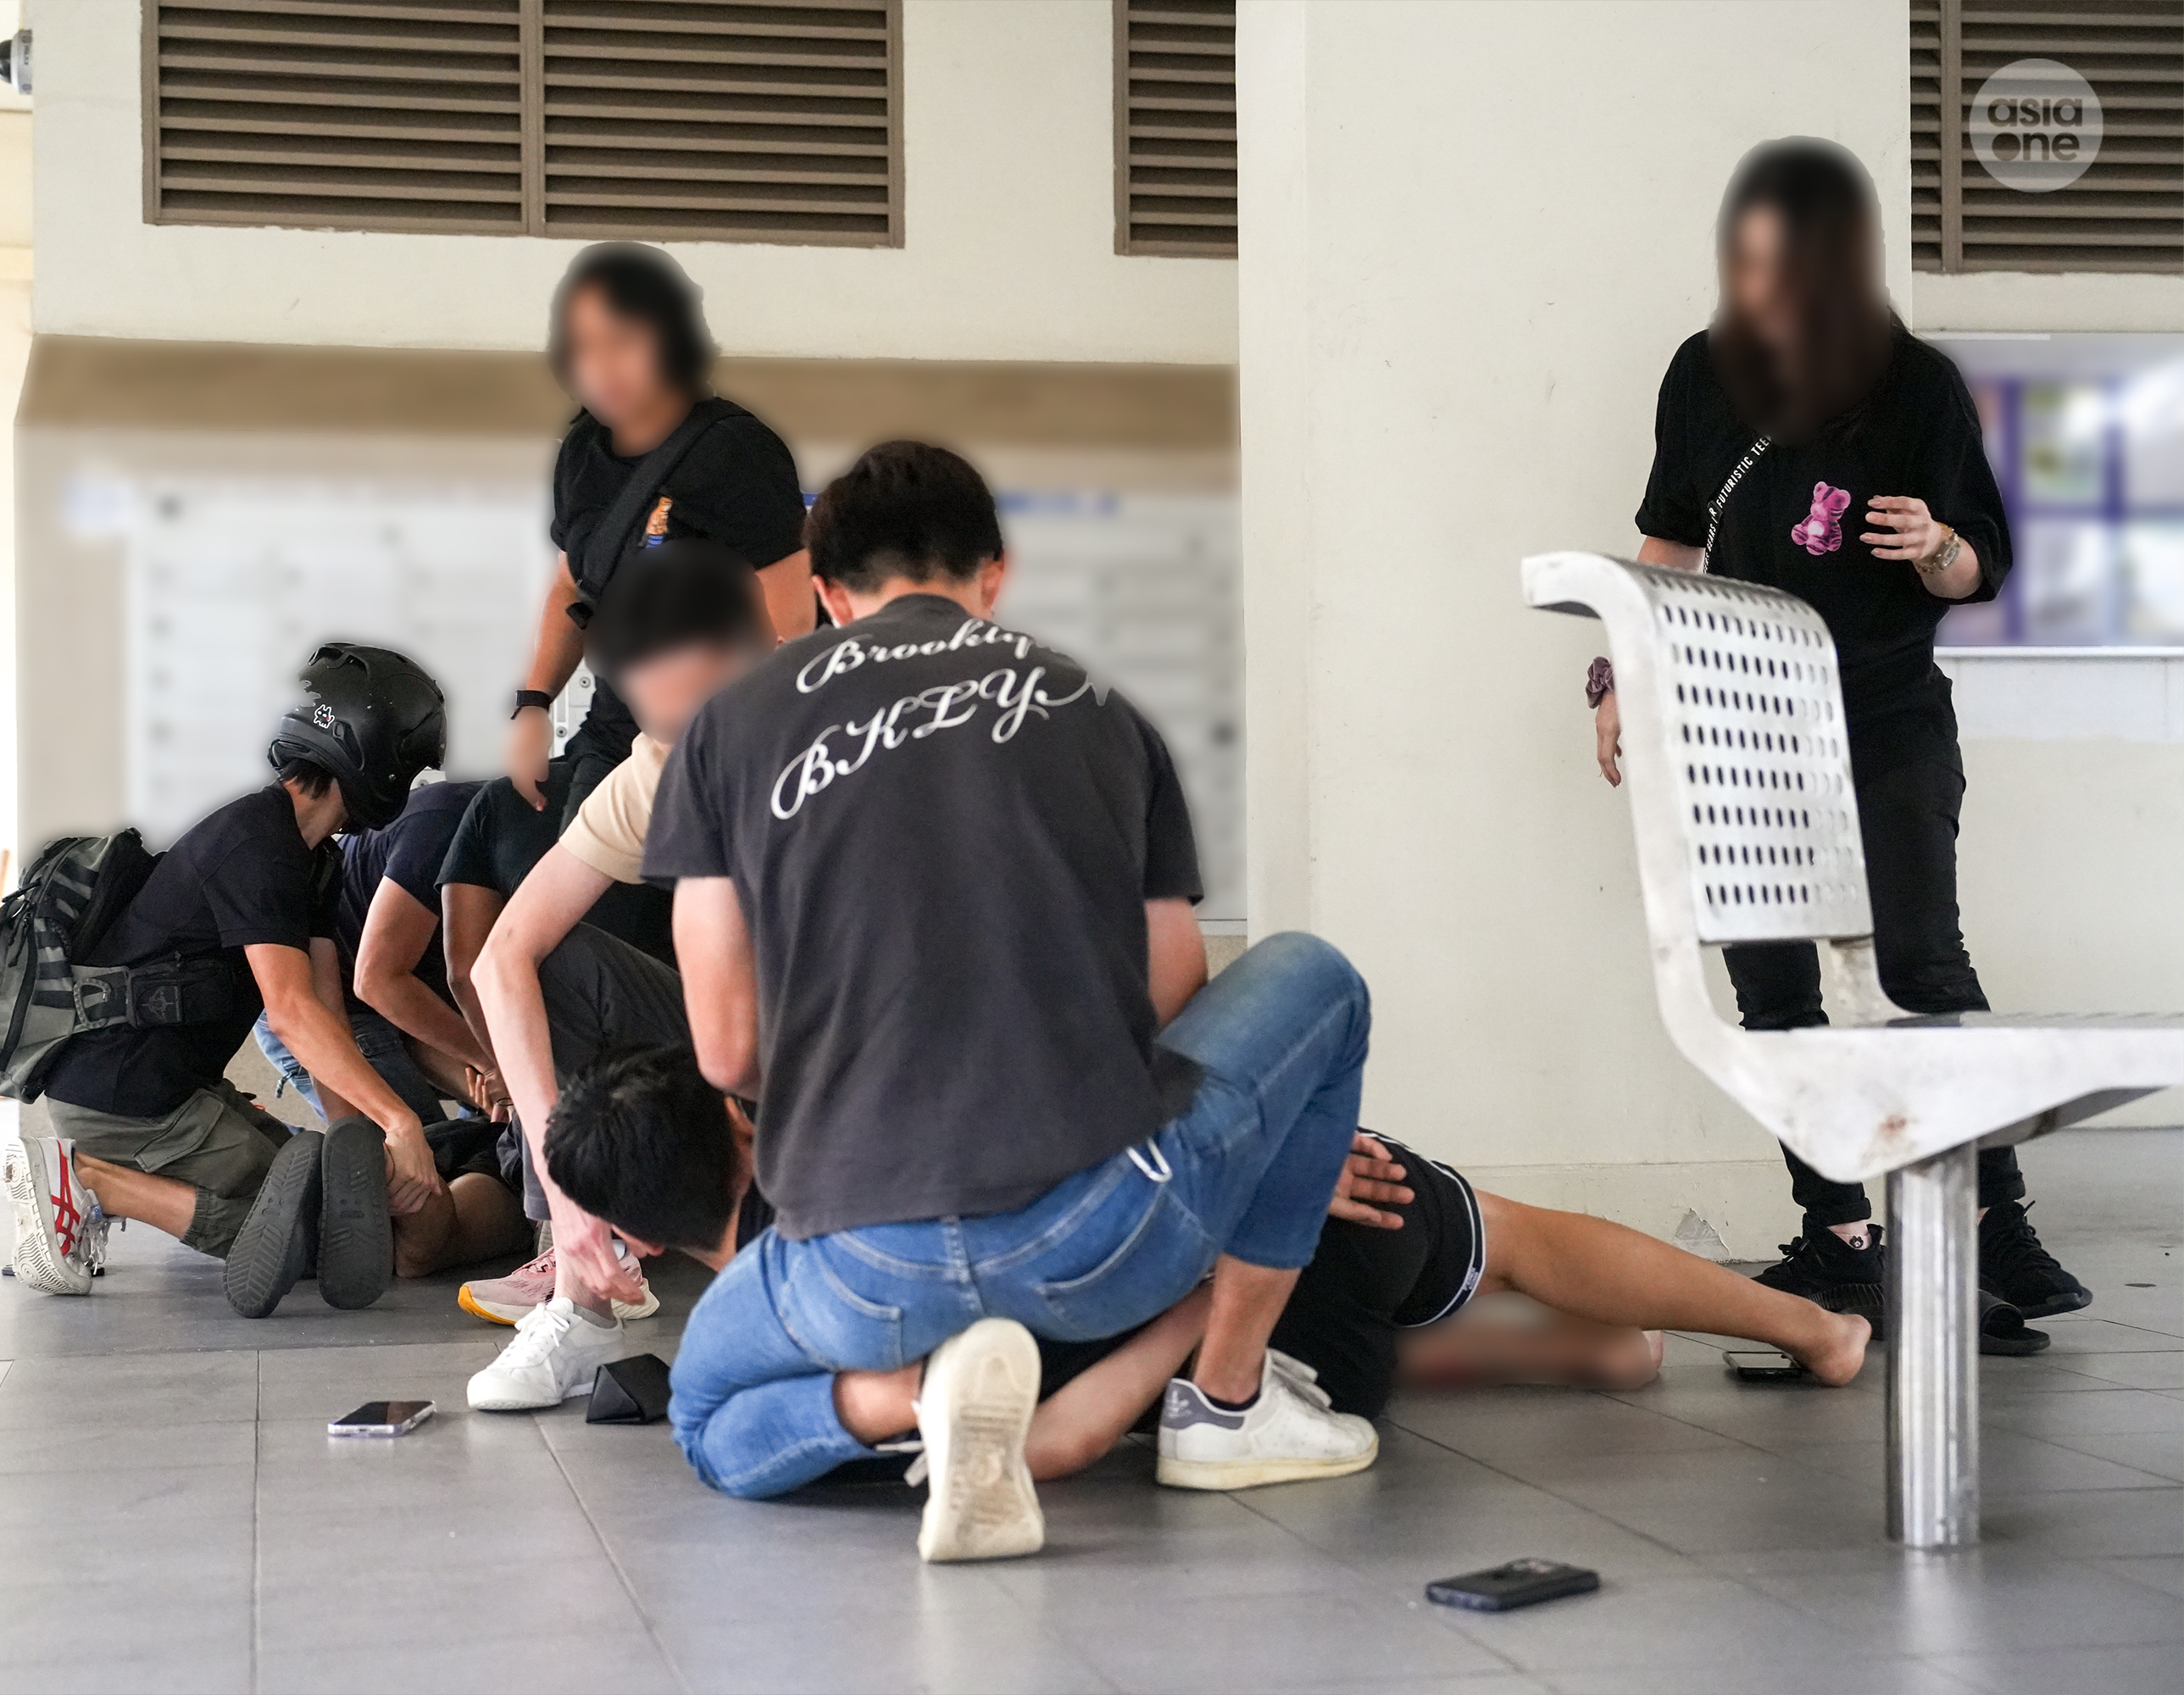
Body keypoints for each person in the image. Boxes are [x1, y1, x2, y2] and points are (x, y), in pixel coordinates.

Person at [642, 439, 1383, 1564]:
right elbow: (1171, 1000)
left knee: (702, 1417)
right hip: (1099, 1240)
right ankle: (1226, 1405)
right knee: (1320, 979)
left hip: (856, 1264)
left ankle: (905, 1398)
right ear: (995, 574)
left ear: (829, 597)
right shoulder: (1106, 715)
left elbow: (726, 1046)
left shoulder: (726, 731)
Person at [1592, 137, 2086, 1341]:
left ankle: (1991, 1224)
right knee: (1772, 988)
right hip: (1743, 718)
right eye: (1745, 265)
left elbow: (1979, 568)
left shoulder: (1914, 385)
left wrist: (1935, 547)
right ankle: (1839, 1229)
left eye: (1787, 268)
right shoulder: (1700, 377)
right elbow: (1669, 547)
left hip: (1886, 711)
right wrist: (1613, 676)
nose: (1762, 292)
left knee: (1922, 971)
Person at [540, 1045, 1870, 1487]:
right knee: (1498, 1231)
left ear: (642, 1235)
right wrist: (1263, 1180)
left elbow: (1040, 1436)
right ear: (736, 1115)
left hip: (1234, 1369)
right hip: (1273, 1268)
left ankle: (1561, 1353)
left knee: (1331, 1309)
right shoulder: (893, 1146)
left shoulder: (779, 1342)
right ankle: (1811, 1330)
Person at [9, 645, 458, 1319]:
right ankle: (89, 1180)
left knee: (342, 1215)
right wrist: (398, 1121)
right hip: (122, 1099)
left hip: (172, 1091)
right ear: (371, 755)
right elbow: (290, 1014)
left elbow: (325, 1013)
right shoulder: (258, 845)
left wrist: (354, 1145)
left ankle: (105, 1180)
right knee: (309, 1238)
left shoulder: (312, 859)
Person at [460, 540, 772, 1405]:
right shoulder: (656, 765)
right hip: (738, 1035)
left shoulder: (838, 738)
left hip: (860, 1034)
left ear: (756, 655)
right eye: (664, 723)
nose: (689, 750)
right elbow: (502, 956)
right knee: (550, 957)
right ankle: (582, 1289)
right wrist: (569, 1189)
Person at [505, 242, 814, 828]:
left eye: (622, 341)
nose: (601, 367)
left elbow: (791, 625)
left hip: (722, 744)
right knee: (581, 907)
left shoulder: (735, 450)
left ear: (670, 339)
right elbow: (573, 585)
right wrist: (533, 705)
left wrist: (726, 740)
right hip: (615, 733)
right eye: (585, 347)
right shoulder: (580, 455)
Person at [250, 774, 539, 1281]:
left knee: (468, 1140)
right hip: (331, 1000)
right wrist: (496, 1062)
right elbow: (377, 981)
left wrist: (494, 1074)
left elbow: (428, 1007)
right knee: (422, 1177)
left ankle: (316, 1164)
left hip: (389, 1004)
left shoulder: (514, 839)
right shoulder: (449, 825)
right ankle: (276, 1157)